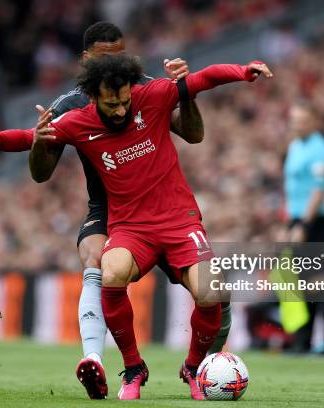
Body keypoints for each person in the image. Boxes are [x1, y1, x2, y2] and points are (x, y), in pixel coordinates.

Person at [0, 22, 232, 399]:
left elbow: (193, 133)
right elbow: (40, 173)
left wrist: (187, 94)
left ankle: (207, 369)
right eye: (106, 57)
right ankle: (101, 361)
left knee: (216, 291)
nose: (115, 63)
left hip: (161, 202)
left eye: (120, 54)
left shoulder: (143, 88)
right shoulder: (69, 106)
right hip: (109, 205)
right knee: (98, 262)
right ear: (86, 61)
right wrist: (23, 142)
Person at [27, 54, 272, 399]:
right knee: (103, 268)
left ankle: (193, 367)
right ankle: (125, 366)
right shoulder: (73, 113)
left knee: (212, 288)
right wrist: (0, 139)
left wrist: (242, 72)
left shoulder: (149, 93)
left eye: (124, 99)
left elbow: (200, 100)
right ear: (92, 87)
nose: (120, 109)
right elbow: (30, 152)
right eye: (112, 102)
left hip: (174, 216)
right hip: (122, 217)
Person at [283, 101, 324, 353]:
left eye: (302, 120)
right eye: (294, 120)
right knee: (297, 282)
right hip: (295, 219)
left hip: (313, 222)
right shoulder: (294, 146)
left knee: (314, 281)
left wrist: (303, 224)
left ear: (313, 121)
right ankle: (303, 339)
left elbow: (318, 190)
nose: (297, 125)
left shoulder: (320, 148)